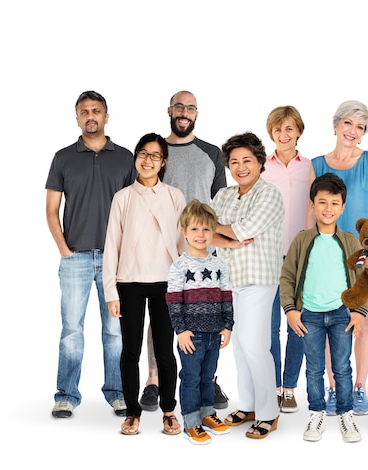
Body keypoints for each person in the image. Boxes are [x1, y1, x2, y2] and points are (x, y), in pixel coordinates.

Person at [46, 90, 136, 419]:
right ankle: (66, 394)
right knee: (71, 330)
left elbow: (134, 209)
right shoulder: (63, 157)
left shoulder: (126, 158)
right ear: (77, 118)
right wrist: (64, 249)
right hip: (76, 259)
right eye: (84, 111)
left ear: (107, 116)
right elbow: (52, 209)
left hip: (116, 260)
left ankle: (117, 392)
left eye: (96, 110)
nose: (90, 115)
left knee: (115, 331)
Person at [139, 90, 229, 412]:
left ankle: (210, 376)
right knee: (162, 313)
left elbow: (221, 204)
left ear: (196, 114)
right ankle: (153, 379)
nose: (184, 112)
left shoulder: (212, 153)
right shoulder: (156, 152)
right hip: (163, 246)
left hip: (204, 247)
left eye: (190, 108)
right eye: (179, 106)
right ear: (169, 110)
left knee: (207, 311)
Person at [103, 133, 185, 436]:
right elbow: (112, 244)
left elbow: (182, 243)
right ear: (136, 157)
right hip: (130, 283)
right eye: (143, 154)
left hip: (165, 282)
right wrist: (111, 291)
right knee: (131, 350)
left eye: (155, 156)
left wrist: (180, 284)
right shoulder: (123, 197)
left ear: (163, 162)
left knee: (165, 351)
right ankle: (132, 412)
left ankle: (168, 411)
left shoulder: (175, 196)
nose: (148, 160)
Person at [309, 100, 368, 416]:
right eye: (348, 124)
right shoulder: (315, 164)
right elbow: (308, 216)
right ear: (335, 125)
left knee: (364, 323)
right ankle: (332, 386)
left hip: (366, 260)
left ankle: (359, 388)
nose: (353, 132)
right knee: (330, 323)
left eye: (360, 127)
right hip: (328, 258)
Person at [280, 173, 368, 442]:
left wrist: (359, 311)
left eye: (334, 203)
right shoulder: (302, 240)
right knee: (314, 368)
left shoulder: (351, 242)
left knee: (342, 367)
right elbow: (287, 277)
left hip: (342, 313)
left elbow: (365, 279)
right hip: (310, 316)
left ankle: (346, 414)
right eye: (322, 202)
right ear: (312, 205)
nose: (327, 209)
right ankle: (317, 412)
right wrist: (290, 309)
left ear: (342, 207)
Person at [211, 132, 284, 440]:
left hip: (259, 278)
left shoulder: (269, 194)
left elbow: (247, 229)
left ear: (259, 162)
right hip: (230, 279)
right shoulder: (224, 196)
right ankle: (250, 405)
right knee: (239, 347)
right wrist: (225, 235)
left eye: (247, 161)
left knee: (255, 345)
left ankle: (269, 413)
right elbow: (202, 231)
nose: (240, 167)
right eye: (234, 162)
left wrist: (226, 233)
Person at [166, 201, 234, 445]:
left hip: (214, 333)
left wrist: (227, 325)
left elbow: (226, 295)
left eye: (206, 229)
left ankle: (207, 414)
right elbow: (173, 301)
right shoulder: (179, 266)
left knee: (209, 377)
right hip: (191, 336)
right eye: (194, 229)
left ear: (213, 232)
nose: (200, 235)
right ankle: (191, 421)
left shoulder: (217, 263)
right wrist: (181, 331)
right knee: (191, 378)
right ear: (184, 232)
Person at [261, 105, 310, 413]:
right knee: (269, 326)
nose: (284, 134)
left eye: (289, 128)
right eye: (278, 129)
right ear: (271, 133)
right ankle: (272, 385)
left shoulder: (311, 167)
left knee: (298, 324)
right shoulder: (262, 167)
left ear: (299, 132)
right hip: (267, 255)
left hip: (301, 256)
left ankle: (289, 388)